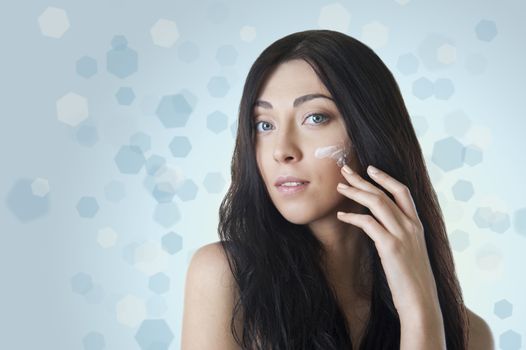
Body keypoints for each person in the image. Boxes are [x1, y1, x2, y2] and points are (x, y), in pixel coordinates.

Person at [181, 29, 494, 349]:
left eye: (315, 117)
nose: (281, 150)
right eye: (264, 124)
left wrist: (419, 310)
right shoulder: (225, 278)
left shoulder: (471, 334)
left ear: (370, 131)